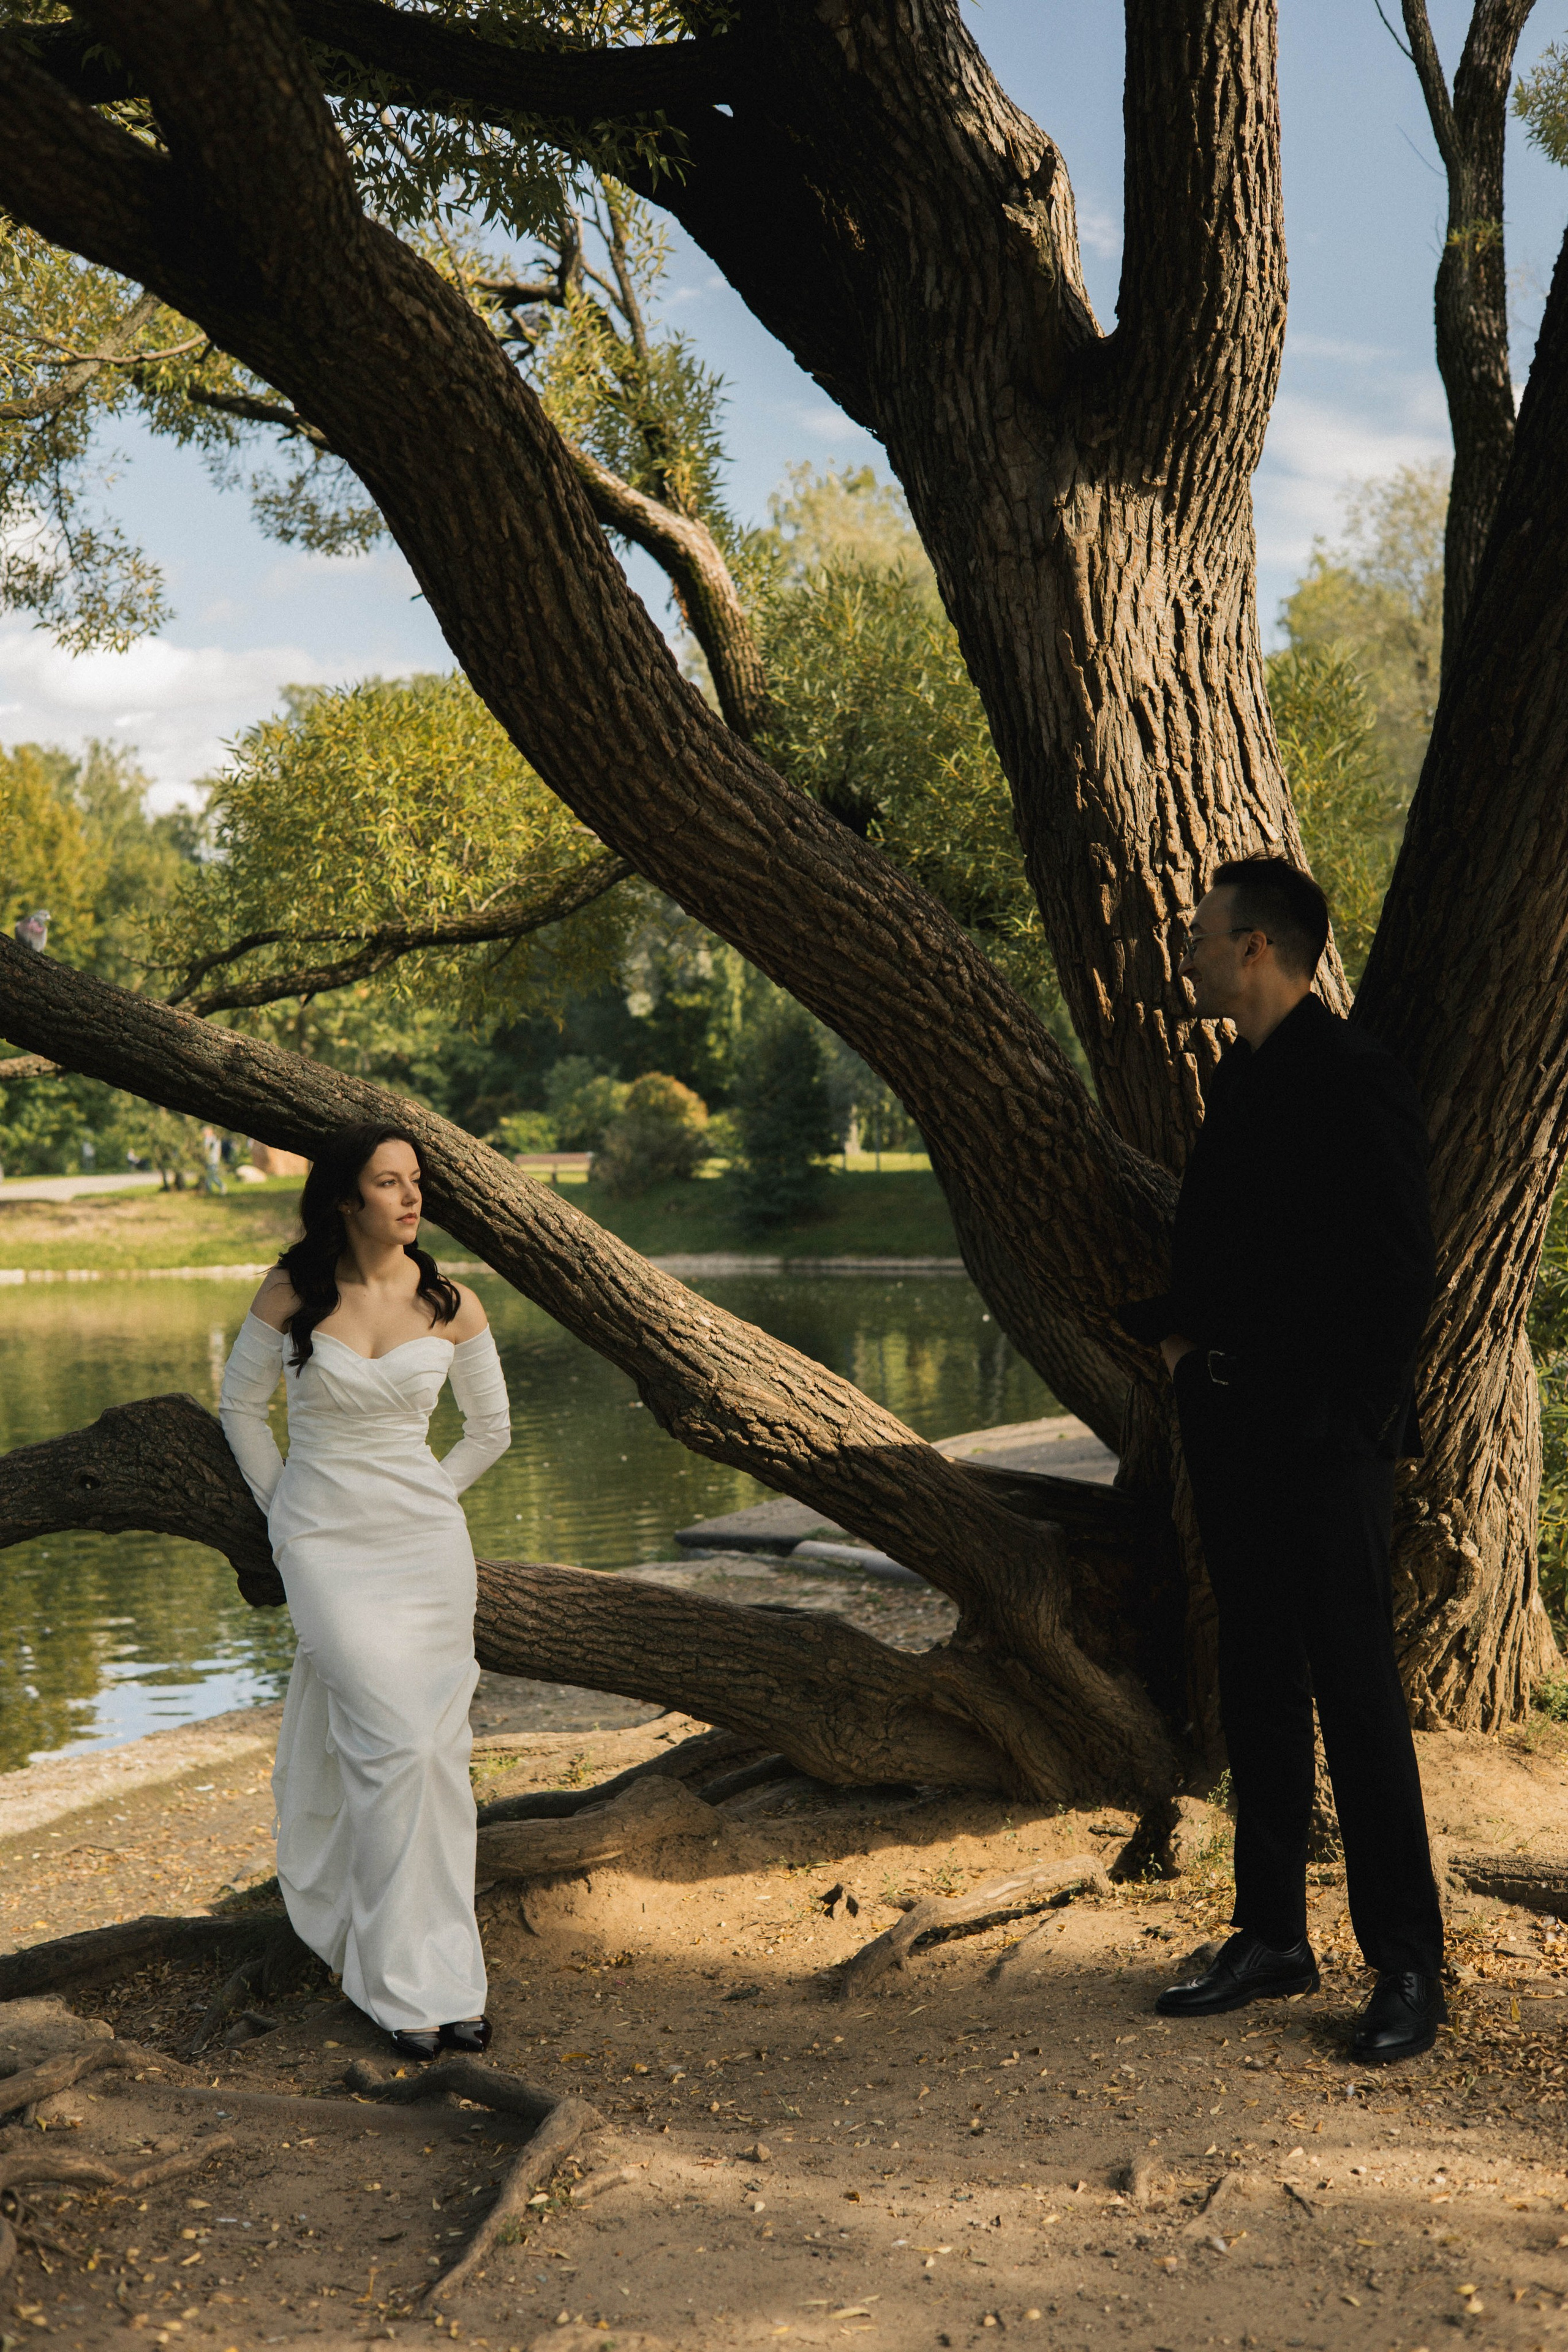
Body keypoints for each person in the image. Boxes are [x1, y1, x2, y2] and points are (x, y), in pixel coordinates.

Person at [1120, 857, 1446, 2063]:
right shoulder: (1238, 1079)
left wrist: (1345, 1426)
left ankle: (1406, 1965)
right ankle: (1270, 1935)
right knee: (1254, 1680)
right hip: (1233, 1432)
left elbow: (1399, 1273)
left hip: (1323, 1446)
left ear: (1255, 948)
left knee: (1356, 1697)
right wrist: (1172, 1338)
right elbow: (1238, 1251)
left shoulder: (1352, 1075)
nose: (1188, 953)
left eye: (1201, 936)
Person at [219, 1124, 511, 2062]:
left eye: (415, 1181)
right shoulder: (293, 1292)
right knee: (390, 1749)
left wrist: (431, 1495)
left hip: (426, 1551)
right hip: (325, 1548)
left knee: (433, 1754)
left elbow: (490, 1431)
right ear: (346, 1198)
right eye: (388, 1183)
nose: (410, 1197)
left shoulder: (453, 1301)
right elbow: (239, 1409)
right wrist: (284, 1512)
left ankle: (451, 1981)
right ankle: (390, 1989)